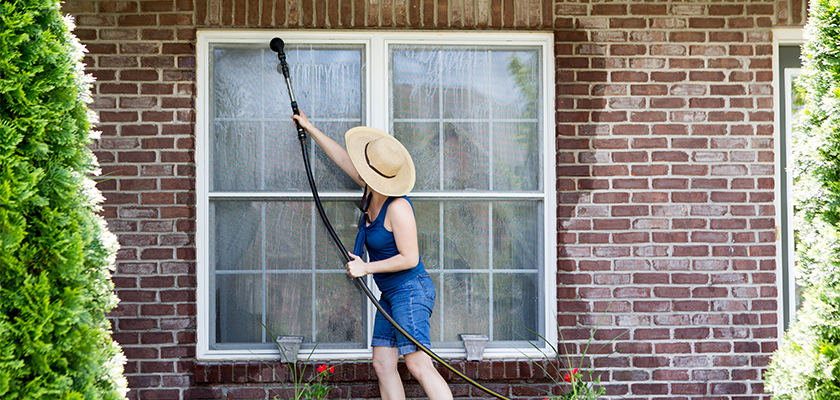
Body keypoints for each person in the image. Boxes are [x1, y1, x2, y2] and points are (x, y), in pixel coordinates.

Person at [292, 112, 453, 400]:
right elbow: (341, 158)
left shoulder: (397, 207)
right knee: (382, 364)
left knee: (418, 363)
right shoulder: (370, 191)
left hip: (411, 291)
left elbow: (410, 258)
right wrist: (310, 127)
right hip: (391, 293)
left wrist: (366, 268)